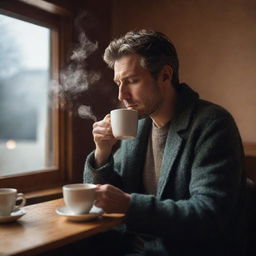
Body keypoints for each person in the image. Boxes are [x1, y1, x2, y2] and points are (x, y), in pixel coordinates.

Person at [84, 30, 246, 256]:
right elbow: (110, 195)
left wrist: (130, 206)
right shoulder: (138, 126)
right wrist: (102, 152)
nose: (122, 95)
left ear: (165, 76)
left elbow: (209, 214)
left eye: (131, 81)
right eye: (119, 83)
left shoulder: (212, 123)